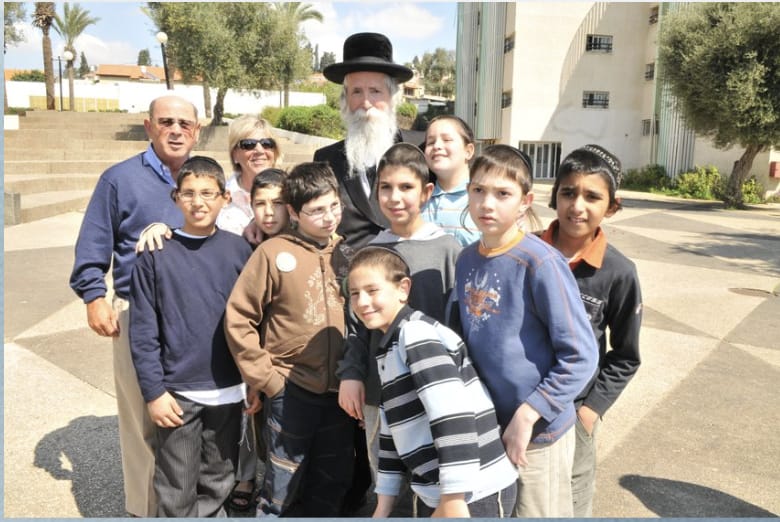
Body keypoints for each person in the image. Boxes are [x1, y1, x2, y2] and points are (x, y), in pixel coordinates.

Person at [69, 94, 200, 517]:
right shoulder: (119, 179)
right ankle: (144, 509)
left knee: (190, 415)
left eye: (184, 123)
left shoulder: (204, 177)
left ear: (197, 131)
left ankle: (189, 503)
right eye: (166, 122)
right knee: (142, 418)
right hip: (137, 312)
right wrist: (94, 296)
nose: (176, 130)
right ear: (148, 127)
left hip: (196, 317)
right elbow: (93, 243)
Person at [452, 144, 599, 517]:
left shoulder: (541, 262)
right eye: (479, 190)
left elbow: (581, 356)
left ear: (525, 202)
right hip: (487, 427)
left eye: (503, 194)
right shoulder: (466, 259)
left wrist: (529, 414)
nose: (487, 204)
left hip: (537, 434)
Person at [346, 246, 518, 518]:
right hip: (437, 491)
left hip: (472, 493)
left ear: (403, 289)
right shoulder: (388, 349)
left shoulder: (416, 334)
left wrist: (453, 498)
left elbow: (452, 415)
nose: (362, 302)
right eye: (355, 293)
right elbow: (391, 432)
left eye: (372, 290)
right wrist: (383, 505)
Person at [224, 162, 354, 517]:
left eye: (334, 206)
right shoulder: (272, 253)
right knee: (281, 484)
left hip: (339, 394)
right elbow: (239, 317)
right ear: (294, 213)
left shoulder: (347, 253)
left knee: (331, 481)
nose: (329, 217)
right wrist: (267, 379)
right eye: (316, 210)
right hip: (289, 389)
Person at [128, 156, 254, 517]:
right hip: (178, 392)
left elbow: (254, 320)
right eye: (188, 193)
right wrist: (154, 391)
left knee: (219, 478)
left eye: (207, 193)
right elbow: (143, 330)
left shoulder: (239, 250)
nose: (198, 202)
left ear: (225, 198)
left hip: (229, 388)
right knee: (176, 484)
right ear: (175, 197)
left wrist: (253, 380)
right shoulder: (156, 253)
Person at [337, 143, 461, 488]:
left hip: (435, 389)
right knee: (387, 483)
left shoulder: (449, 250)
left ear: (426, 192)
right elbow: (356, 326)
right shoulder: (369, 252)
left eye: (406, 187)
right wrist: (352, 375)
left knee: (438, 483)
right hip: (381, 392)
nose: (395, 197)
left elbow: (459, 328)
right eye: (386, 187)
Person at [540, 144, 642, 517]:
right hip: (516, 404)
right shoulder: (526, 252)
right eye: (568, 193)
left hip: (574, 412)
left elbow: (626, 355)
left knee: (571, 500)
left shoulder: (619, 272)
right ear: (554, 196)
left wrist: (590, 411)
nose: (577, 206)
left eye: (592, 197)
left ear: (612, 206)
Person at [314, 32, 424, 251]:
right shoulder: (325, 159)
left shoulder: (421, 147)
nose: (366, 102)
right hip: (349, 270)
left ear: (392, 97)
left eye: (375, 91)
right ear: (345, 99)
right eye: (357, 92)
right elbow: (306, 210)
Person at [228, 167, 289, 511]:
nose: (268, 212)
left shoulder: (302, 240)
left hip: (291, 356)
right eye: (260, 204)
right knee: (253, 415)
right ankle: (248, 477)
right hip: (255, 352)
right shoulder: (246, 245)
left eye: (277, 203)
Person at [218, 115, 282, 236]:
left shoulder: (291, 191)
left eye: (266, 143)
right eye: (248, 144)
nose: (260, 151)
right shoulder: (220, 197)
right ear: (234, 154)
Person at [422, 115, 481, 246]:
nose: (437, 146)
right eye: (430, 142)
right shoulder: (419, 200)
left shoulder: (483, 198)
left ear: (468, 151)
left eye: (447, 140)